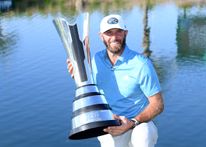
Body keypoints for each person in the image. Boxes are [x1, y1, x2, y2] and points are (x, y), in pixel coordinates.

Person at [67, 14, 164, 147]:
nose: (114, 37)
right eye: (109, 33)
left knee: (143, 136)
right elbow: (90, 92)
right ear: (101, 36)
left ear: (125, 33)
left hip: (140, 123)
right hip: (111, 124)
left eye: (119, 32)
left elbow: (157, 104)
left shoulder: (141, 64)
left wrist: (133, 122)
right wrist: (79, 76)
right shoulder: (95, 61)